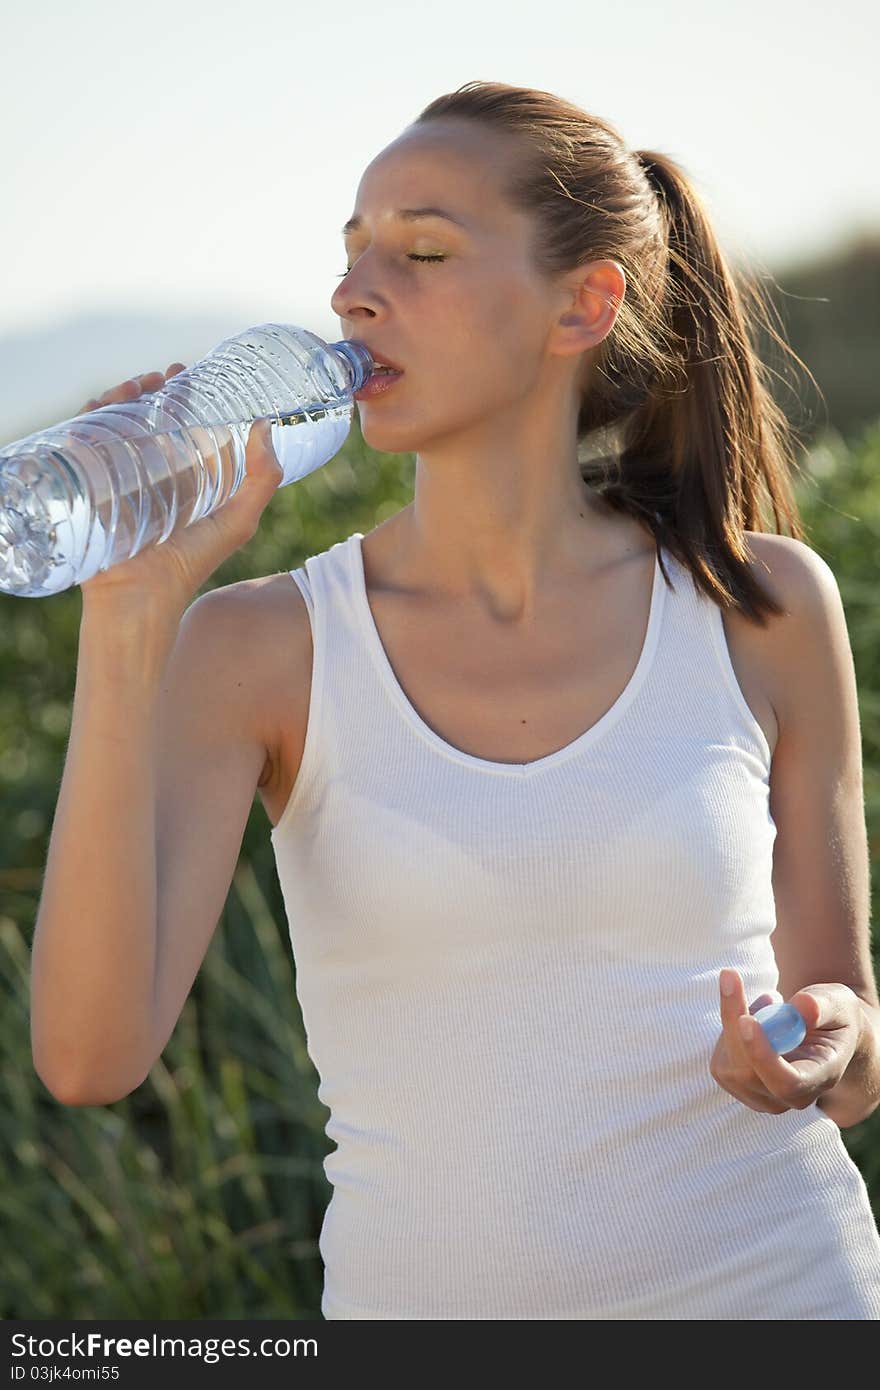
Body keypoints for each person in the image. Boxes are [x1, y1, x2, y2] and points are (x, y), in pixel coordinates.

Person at [31, 81, 880, 1320]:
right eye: (351, 251)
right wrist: (127, 614)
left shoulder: (758, 603)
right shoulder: (262, 646)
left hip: (782, 1295)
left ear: (584, 304)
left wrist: (816, 1044)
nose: (353, 294)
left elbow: (849, 1044)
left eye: (421, 250)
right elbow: (87, 1058)